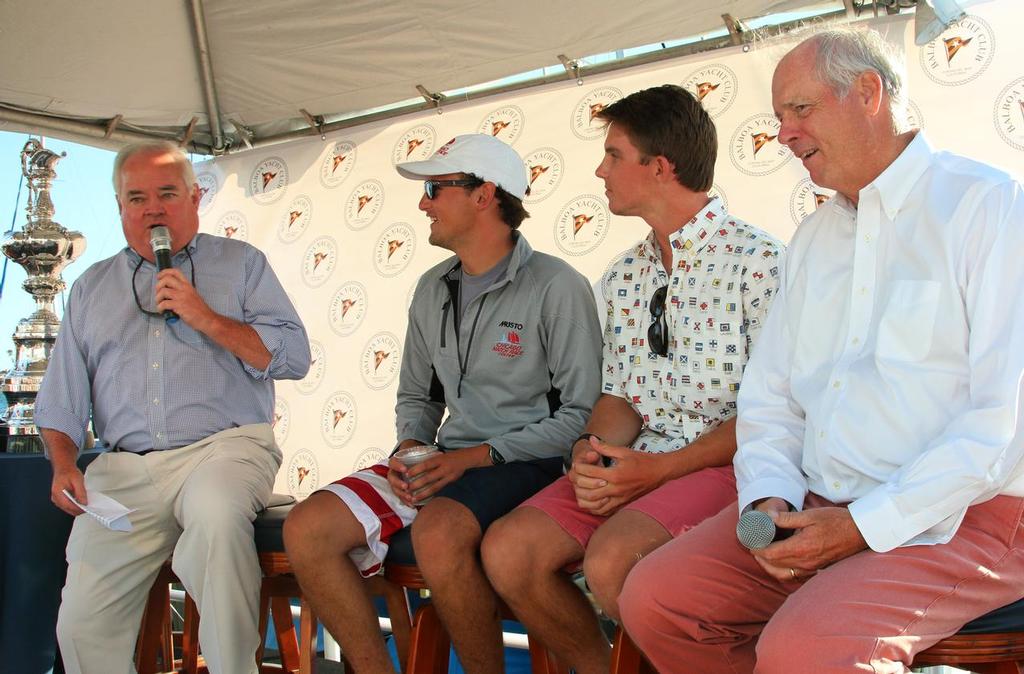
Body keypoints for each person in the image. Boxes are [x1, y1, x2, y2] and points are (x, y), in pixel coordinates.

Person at [618, 28, 1024, 674]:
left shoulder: (988, 208)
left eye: (800, 110)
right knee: (657, 601)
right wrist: (769, 499)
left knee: (805, 651)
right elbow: (771, 398)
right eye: (779, 117)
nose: (784, 134)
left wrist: (863, 525)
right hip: (821, 505)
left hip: (968, 515)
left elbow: (1001, 428)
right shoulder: (814, 238)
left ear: (868, 93)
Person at [481, 85, 784, 673]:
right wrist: (590, 454)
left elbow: (777, 415)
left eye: (613, 154)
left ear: (660, 167)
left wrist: (660, 469)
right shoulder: (623, 274)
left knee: (612, 561)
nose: (600, 169)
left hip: (734, 465)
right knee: (509, 551)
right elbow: (620, 394)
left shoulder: (762, 263)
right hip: (645, 464)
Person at [283, 133, 602, 674]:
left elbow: (579, 419)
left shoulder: (557, 285)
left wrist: (469, 459)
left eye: (435, 187)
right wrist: (411, 449)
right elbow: (418, 397)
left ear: (484, 196)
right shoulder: (432, 287)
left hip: (531, 463)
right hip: (449, 461)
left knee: (438, 532)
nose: (422, 202)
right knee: (306, 528)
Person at [36, 141, 311, 674]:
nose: (153, 209)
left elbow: (293, 357)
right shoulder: (91, 287)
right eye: (137, 198)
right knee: (80, 621)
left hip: (224, 450)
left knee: (215, 518)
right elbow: (62, 397)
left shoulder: (241, 264)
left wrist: (204, 315)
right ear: (120, 209)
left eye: (167, 194)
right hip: (126, 470)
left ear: (195, 197)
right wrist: (65, 465)